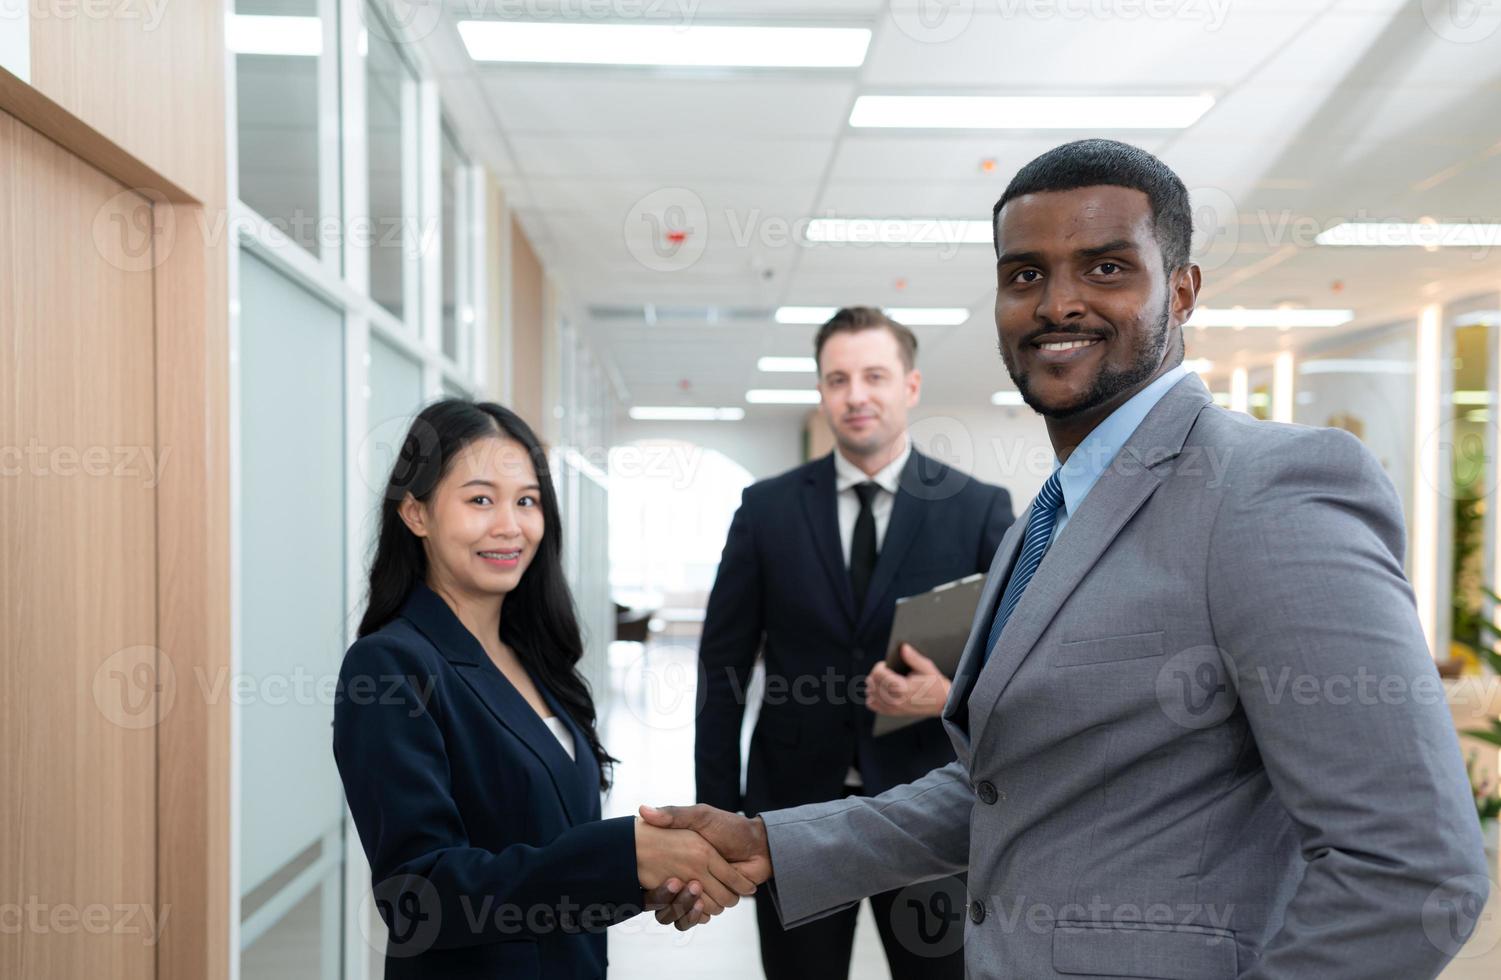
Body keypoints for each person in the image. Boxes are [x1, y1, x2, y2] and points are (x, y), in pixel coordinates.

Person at [645, 140, 1490, 978]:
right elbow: (1001, 786)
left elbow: (1413, 871)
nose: (1057, 304)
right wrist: (769, 842)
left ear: (1183, 290)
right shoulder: (1046, 518)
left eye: (1107, 268)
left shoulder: (1267, 489)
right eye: (1024, 275)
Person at [333, 400, 756, 979]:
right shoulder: (389, 667)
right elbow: (420, 896)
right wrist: (622, 857)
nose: (510, 525)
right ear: (416, 513)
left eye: (526, 501)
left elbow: (550, 849)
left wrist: (640, 882)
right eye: (480, 499)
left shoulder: (533, 656)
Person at [695, 307, 1014, 978]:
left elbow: (1020, 660)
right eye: (837, 379)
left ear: (910, 386)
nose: (855, 395)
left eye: (874, 375)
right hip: (792, 814)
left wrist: (949, 696)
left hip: (929, 811)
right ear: (820, 392)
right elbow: (721, 667)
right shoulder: (766, 510)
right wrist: (717, 815)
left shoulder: (976, 508)